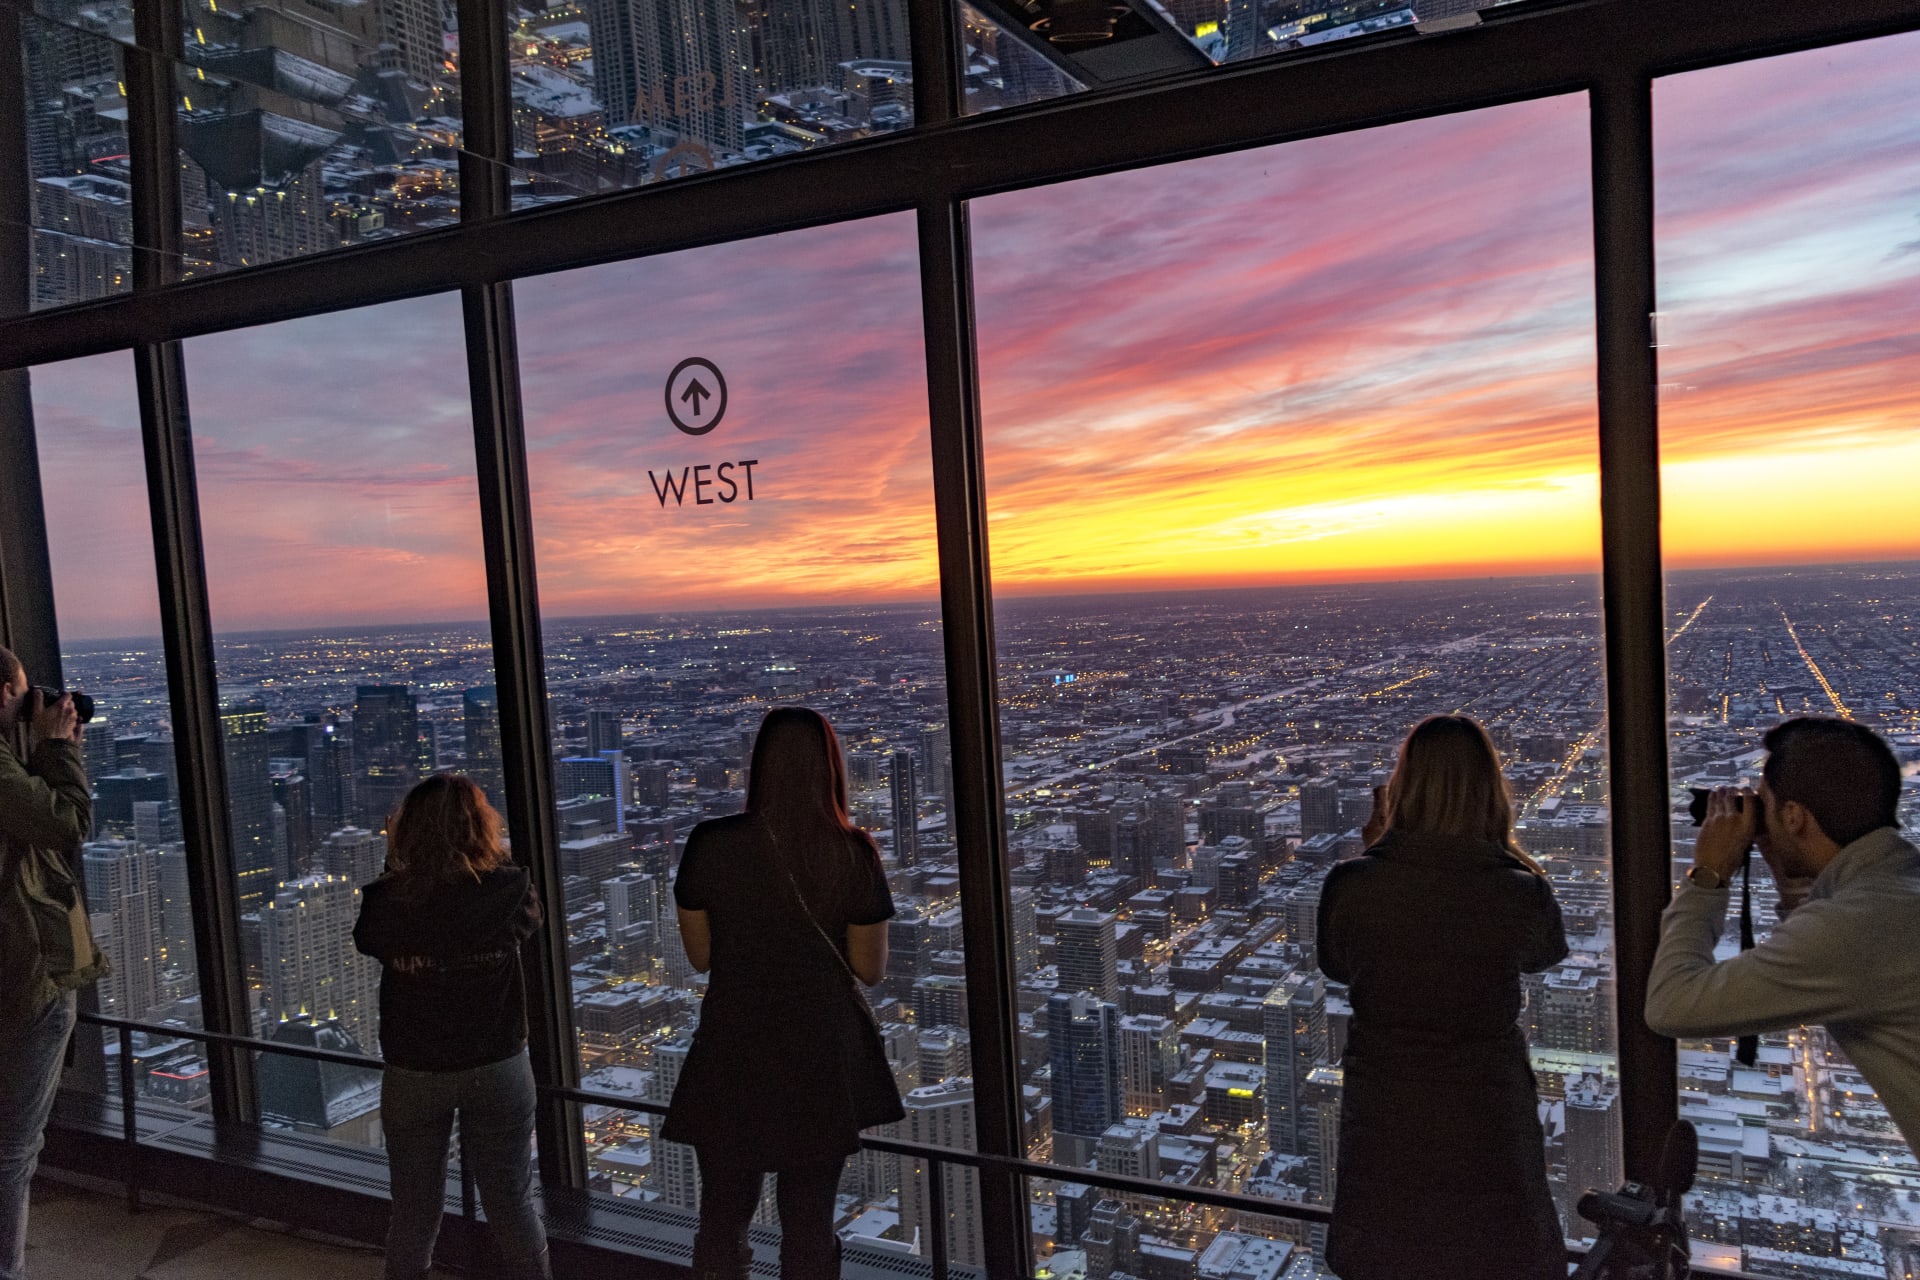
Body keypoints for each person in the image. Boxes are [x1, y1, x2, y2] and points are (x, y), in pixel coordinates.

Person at [1316, 715, 1568, 1280]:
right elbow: (1545, 951)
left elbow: (1337, 963)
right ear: (1489, 791)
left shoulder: (1352, 883)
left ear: (1403, 787)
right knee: (1496, 1249)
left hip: (1387, 1103)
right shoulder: (1518, 889)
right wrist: (1501, 854)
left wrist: (1378, 853)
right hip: (1484, 1104)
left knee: (1388, 1250)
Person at [663, 707, 904, 1280]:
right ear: (830, 767)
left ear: (759, 766)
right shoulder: (853, 851)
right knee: (808, 1224)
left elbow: (701, 958)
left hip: (733, 1046)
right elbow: (870, 969)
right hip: (818, 1055)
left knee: (722, 1217)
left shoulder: (709, 842)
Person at [1646, 716, 1920, 1148]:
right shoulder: (1893, 891)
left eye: (1767, 804)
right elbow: (1827, 953)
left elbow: (1670, 1006)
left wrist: (1709, 876)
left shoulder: (1857, 926)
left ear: (1793, 816)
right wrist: (1792, 881)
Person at [353, 774, 549, 1280]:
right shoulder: (510, 891)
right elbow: (526, 915)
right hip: (498, 1064)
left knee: (415, 1212)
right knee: (511, 1204)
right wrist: (488, 856)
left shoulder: (387, 901)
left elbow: (370, 936)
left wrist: (396, 860)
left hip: (415, 1069)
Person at [0, 645, 102, 1280]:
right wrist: (58, 747)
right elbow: (68, 822)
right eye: (18, 692)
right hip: (22, 972)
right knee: (11, 1150)